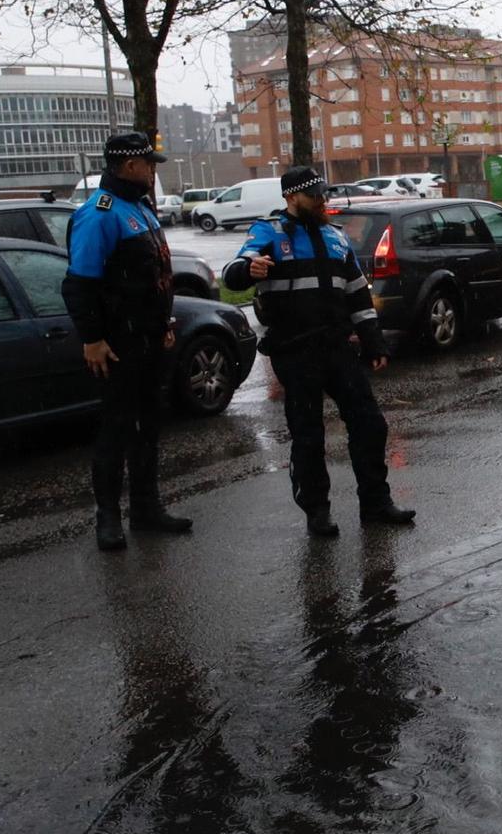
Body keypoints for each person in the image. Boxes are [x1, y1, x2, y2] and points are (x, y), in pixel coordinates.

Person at [222, 167, 416, 537]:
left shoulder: (334, 236)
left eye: (324, 195)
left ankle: (376, 502)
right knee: (308, 434)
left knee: (370, 424)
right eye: (315, 196)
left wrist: (373, 340)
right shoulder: (268, 232)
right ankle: (317, 511)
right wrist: (250, 269)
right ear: (292, 197)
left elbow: (358, 293)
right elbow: (234, 272)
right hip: (296, 351)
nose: (322, 202)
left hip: (337, 347)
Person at [63, 130, 193, 550]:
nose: (154, 171)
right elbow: (79, 284)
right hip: (118, 343)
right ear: (131, 166)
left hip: (149, 339)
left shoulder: (140, 209)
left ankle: (146, 508)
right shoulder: (100, 213)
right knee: (116, 430)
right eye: (149, 164)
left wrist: (164, 322)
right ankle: (108, 518)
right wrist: (92, 338)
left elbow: (153, 277)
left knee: (148, 427)